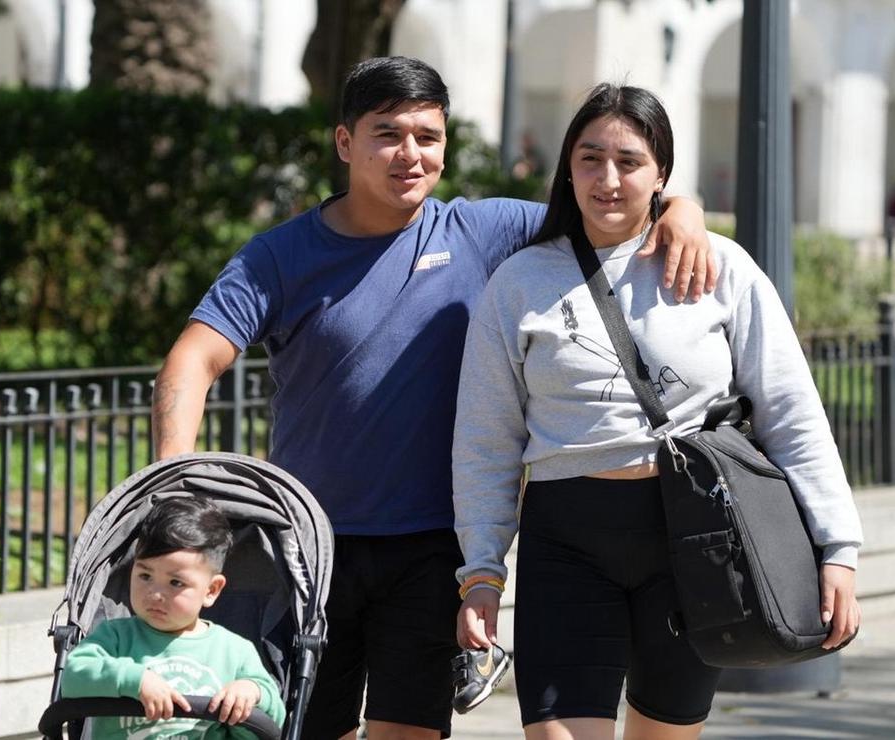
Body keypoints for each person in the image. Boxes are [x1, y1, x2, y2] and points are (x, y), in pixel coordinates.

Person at [152, 57, 717, 740]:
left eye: (428, 136)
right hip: (308, 549)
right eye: (387, 134)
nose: (410, 154)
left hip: (430, 552)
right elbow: (191, 360)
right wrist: (174, 490)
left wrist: (681, 208)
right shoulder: (279, 257)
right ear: (344, 143)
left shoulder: (483, 232)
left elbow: (608, 204)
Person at [451, 83, 864, 740]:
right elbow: (485, 439)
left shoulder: (720, 267)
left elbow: (791, 412)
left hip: (694, 543)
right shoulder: (520, 282)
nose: (607, 179)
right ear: (567, 167)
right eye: (589, 159)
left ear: (661, 174)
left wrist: (837, 548)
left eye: (629, 161)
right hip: (566, 543)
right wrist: (481, 571)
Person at [61, 496, 286, 739]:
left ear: (211, 590)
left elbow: (275, 721)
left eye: (175, 583)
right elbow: (73, 676)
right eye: (145, 576)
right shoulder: (114, 637)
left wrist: (251, 693)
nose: (155, 594)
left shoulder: (234, 651)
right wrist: (133, 680)